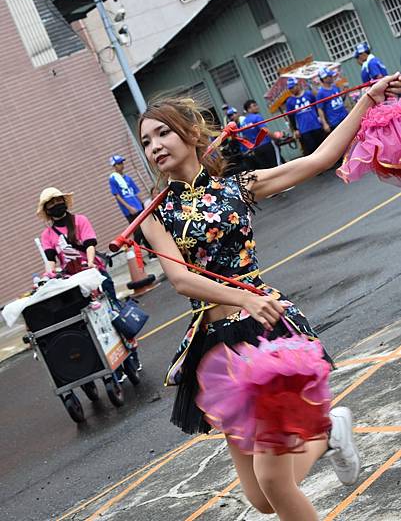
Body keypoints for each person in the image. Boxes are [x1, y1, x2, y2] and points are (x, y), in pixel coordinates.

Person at [137, 75, 401, 520]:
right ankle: (331, 431)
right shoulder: (154, 214)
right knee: (261, 497)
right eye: (146, 141)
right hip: (214, 347)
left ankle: (328, 431)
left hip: (264, 330)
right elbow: (181, 280)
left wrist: (365, 101)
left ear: (191, 133)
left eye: (163, 132)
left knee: (276, 482)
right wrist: (240, 299)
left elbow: (320, 158)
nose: (155, 145)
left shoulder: (238, 185)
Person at [37, 187, 142, 372]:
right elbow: (51, 260)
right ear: (46, 210)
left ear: (64, 202)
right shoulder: (47, 235)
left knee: (114, 315)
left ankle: (132, 356)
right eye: (51, 204)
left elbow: (89, 244)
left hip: (95, 274)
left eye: (58, 201)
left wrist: (91, 263)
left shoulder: (80, 220)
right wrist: (48, 276)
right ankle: (113, 367)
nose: (56, 205)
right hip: (74, 284)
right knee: (94, 325)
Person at [286, 77, 330, 155]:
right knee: (311, 151)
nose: (292, 90)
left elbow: (317, 107)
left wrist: (321, 120)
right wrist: (295, 129)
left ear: (298, 85)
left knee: (323, 147)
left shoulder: (309, 94)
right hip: (304, 130)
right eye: (290, 88)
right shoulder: (289, 101)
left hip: (316, 126)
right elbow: (291, 117)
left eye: (293, 87)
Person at [238, 99, 281, 169]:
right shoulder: (257, 117)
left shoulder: (243, 123)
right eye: (254, 106)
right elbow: (265, 130)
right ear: (248, 109)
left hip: (256, 149)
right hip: (266, 145)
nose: (257, 107)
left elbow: (245, 137)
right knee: (277, 166)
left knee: (266, 169)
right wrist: (276, 137)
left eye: (256, 105)